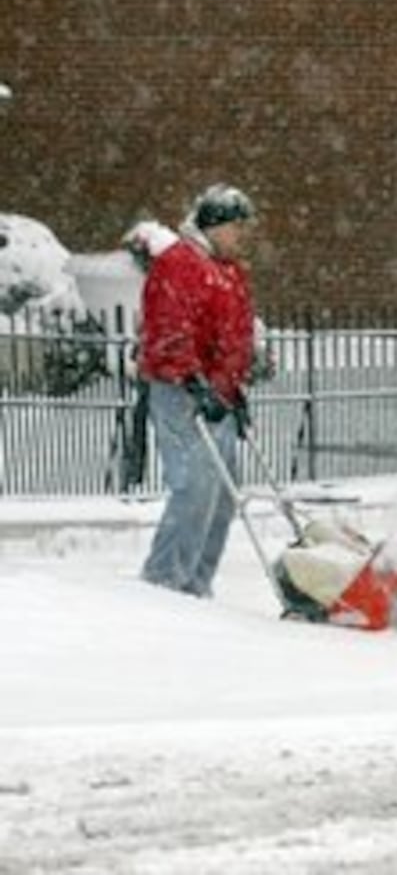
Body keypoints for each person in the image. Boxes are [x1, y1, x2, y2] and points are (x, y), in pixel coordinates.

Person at [137, 183, 260, 597]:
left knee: (222, 496)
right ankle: (165, 581)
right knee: (194, 487)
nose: (244, 236)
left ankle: (196, 583)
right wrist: (193, 379)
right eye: (238, 227)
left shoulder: (228, 270)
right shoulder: (180, 264)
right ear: (214, 225)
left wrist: (233, 387)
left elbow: (232, 335)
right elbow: (169, 326)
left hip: (218, 396)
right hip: (181, 391)